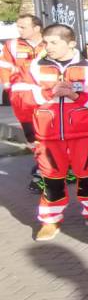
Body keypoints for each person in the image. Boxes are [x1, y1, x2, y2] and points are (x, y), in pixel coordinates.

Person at [11, 24, 88, 240]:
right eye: (46, 42)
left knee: (86, 174)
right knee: (51, 178)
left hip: (82, 134)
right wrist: (49, 93)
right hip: (48, 136)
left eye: (54, 42)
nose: (47, 47)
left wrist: (76, 96)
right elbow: (18, 97)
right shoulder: (33, 67)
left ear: (71, 43)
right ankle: (50, 220)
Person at [0, 14, 45, 191]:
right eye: (18, 26)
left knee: (48, 133)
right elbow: (4, 67)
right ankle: (42, 163)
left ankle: (46, 168)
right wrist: (9, 87)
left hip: (45, 98)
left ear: (37, 28)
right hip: (22, 99)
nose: (19, 30)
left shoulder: (50, 43)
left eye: (23, 27)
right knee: (31, 135)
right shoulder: (11, 45)